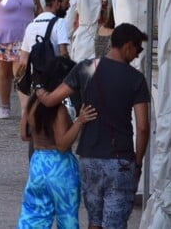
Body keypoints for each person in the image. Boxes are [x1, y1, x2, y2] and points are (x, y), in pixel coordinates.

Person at [35, 23, 151, 229]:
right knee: (114, 223)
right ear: (127, 46)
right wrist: (138, 163)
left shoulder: (85, 68)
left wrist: (38, 89)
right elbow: (143, 127)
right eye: (138, 49)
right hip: (120, 160)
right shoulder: (136, 79)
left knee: (94, 222)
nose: (137, 55)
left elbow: (52, 100)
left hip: (89, 157)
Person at [18, 57, 98, 229]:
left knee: (34, 216)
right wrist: (79, 121)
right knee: (67, 217)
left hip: (38, 163)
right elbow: (62, 144)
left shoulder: (32, 102)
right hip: (60, 167)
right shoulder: (59, 110)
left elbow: (24, 135)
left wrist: (42, 139)